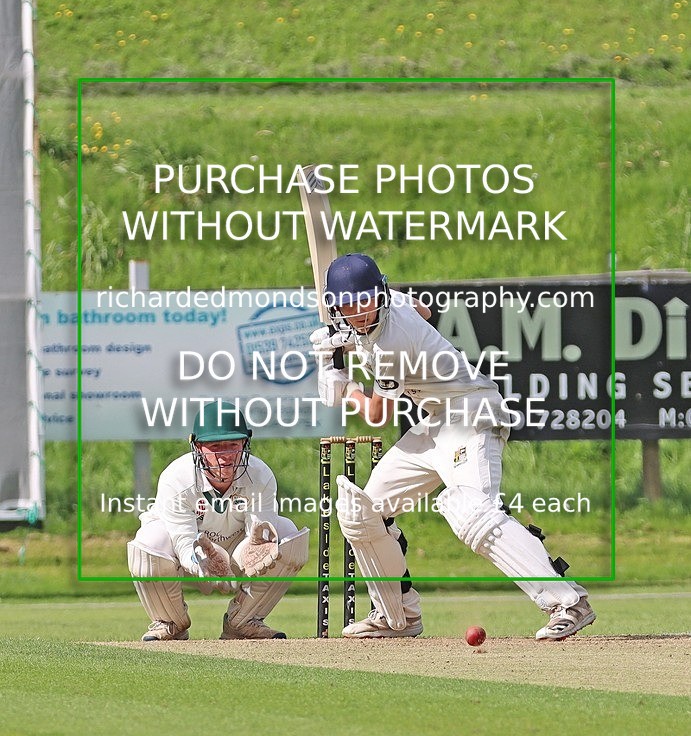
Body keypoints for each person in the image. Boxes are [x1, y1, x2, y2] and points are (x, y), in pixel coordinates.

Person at [311, 253, 596, 640]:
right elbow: (423, 309)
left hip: (472, 411)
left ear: (379, 293)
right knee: (364, 513)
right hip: (436, 420)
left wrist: (341, 382)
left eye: (366, 301)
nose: (360, 312)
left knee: (472, 512)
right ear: (336, 306)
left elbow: (377, 414)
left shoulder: (391, 342)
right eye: (349, 304)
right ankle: (399, 616)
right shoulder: (390, 303)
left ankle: (568, 603)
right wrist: (349, 342)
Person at [127, 399, 309, 641]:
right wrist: (204, 562)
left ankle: (244, 621)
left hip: (234, 550)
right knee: (150, 540)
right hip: (186, 561)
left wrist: (248, 554)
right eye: (215, 446)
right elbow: (183, 541)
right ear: (197, 447)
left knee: (286, 533)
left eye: (232, 444)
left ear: (245, 443)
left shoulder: (260, 475)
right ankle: (170, 623)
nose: (225, 456)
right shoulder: (177, 478)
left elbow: (258, 533)